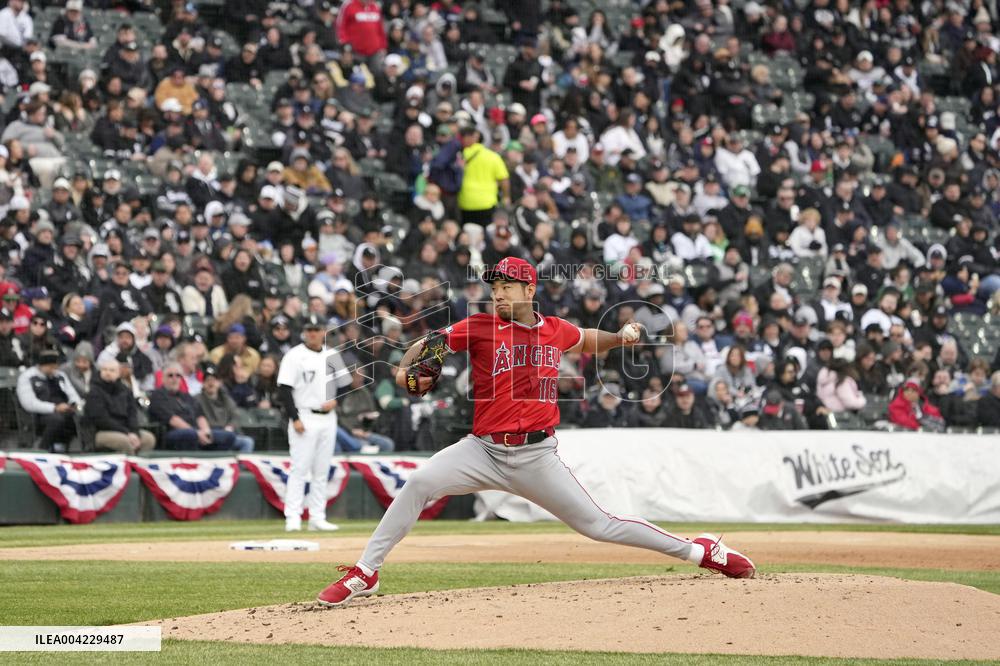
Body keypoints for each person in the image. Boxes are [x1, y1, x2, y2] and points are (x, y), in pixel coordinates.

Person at [316, 256, 755, 608]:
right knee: (418, 483)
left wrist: (620, 338)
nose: (498, 293)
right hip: (482, 450)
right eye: (493, 287)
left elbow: (585, 338)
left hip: (536, 456)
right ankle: (366, 571)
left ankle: (700, 551)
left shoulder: (553, 329)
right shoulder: (481, 325)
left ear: (529, 290)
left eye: (506, 285)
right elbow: (426, 345)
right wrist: (409, 367)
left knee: (601, 525)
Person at [277, 313, 351, 532]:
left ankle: (317, 516)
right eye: (309, 329)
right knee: (299, 469)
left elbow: (346, 383)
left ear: (323, 332)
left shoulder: (332, 355)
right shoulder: (294, 355)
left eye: (316, 329)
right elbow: (284, 389)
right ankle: (293, 517)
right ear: (304, 332)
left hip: (328, 418)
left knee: (321, 470)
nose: (313, 333)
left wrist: (336, 400)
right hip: (305, 415)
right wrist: (295, 418)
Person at [148, 362, 254, 452]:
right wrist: (197, 433)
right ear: (162, 378)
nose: (174, 379)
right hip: (172, 433)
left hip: (196, 432)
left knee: (229, 436)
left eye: (178, 375)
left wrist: (206, 432)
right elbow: (173, 420)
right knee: (190, 435)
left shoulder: (186, 396)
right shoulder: (158, 395)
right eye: (170, 375)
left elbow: (199, 416)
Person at [16, 349, 82, 452]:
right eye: (51, 366)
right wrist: (54, 408)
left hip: (63, 409)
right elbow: (28, 403)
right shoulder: (28, 377)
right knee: (57, 420)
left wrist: (74, 404)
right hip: (40, 414)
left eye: (55, 366)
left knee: (81, 418)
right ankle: (42, 449)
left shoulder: (60, 376)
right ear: (42, 365)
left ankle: (74, 448)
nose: (54, 369)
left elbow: (72, 394)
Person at [85, 358, 156, 454]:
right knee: (125, 442)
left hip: (125, 430)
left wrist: (134, 432)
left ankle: (139, 466)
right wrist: (127, 432)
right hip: (101, 431)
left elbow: (132, 414)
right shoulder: (94, 391)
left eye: (112, 370)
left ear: (119, 373)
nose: (107, 373)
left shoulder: (126, 390)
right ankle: (129, 467)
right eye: (104, 369)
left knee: (149, 439)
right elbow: (101, 419)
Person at [456, 125, 510, 227]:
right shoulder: (493, 156)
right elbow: (504, 179)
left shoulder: (461, 155)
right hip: (487, 202)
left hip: (465, 201)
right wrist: (506, 197)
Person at [196, 364, 255, 453]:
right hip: (209, 434)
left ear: (219, 383)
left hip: (226, 432)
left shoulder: (226, 398)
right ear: (203, 384)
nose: (211, 383)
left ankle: (241, 467)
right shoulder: (197, 399)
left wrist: (230, 426)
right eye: (208, 380)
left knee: (247, 442)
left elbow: (235, 415)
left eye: (214, 380)